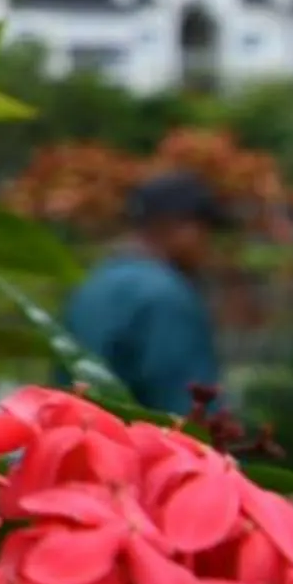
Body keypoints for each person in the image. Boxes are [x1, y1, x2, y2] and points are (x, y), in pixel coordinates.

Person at [61, 170, 229, 413]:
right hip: (140, 436)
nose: (208, 245)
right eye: (205, 230)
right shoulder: (167, 296)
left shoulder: (93, 283)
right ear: (173, 225)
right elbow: (188, 407)